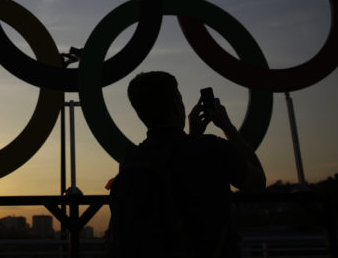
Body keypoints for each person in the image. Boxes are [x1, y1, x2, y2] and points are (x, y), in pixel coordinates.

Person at [108, 71, 266, 257]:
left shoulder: (131, 159)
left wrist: (193, 137)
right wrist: (227, 126)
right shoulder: (213, 148)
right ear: (176, 105)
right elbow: (257, 182)